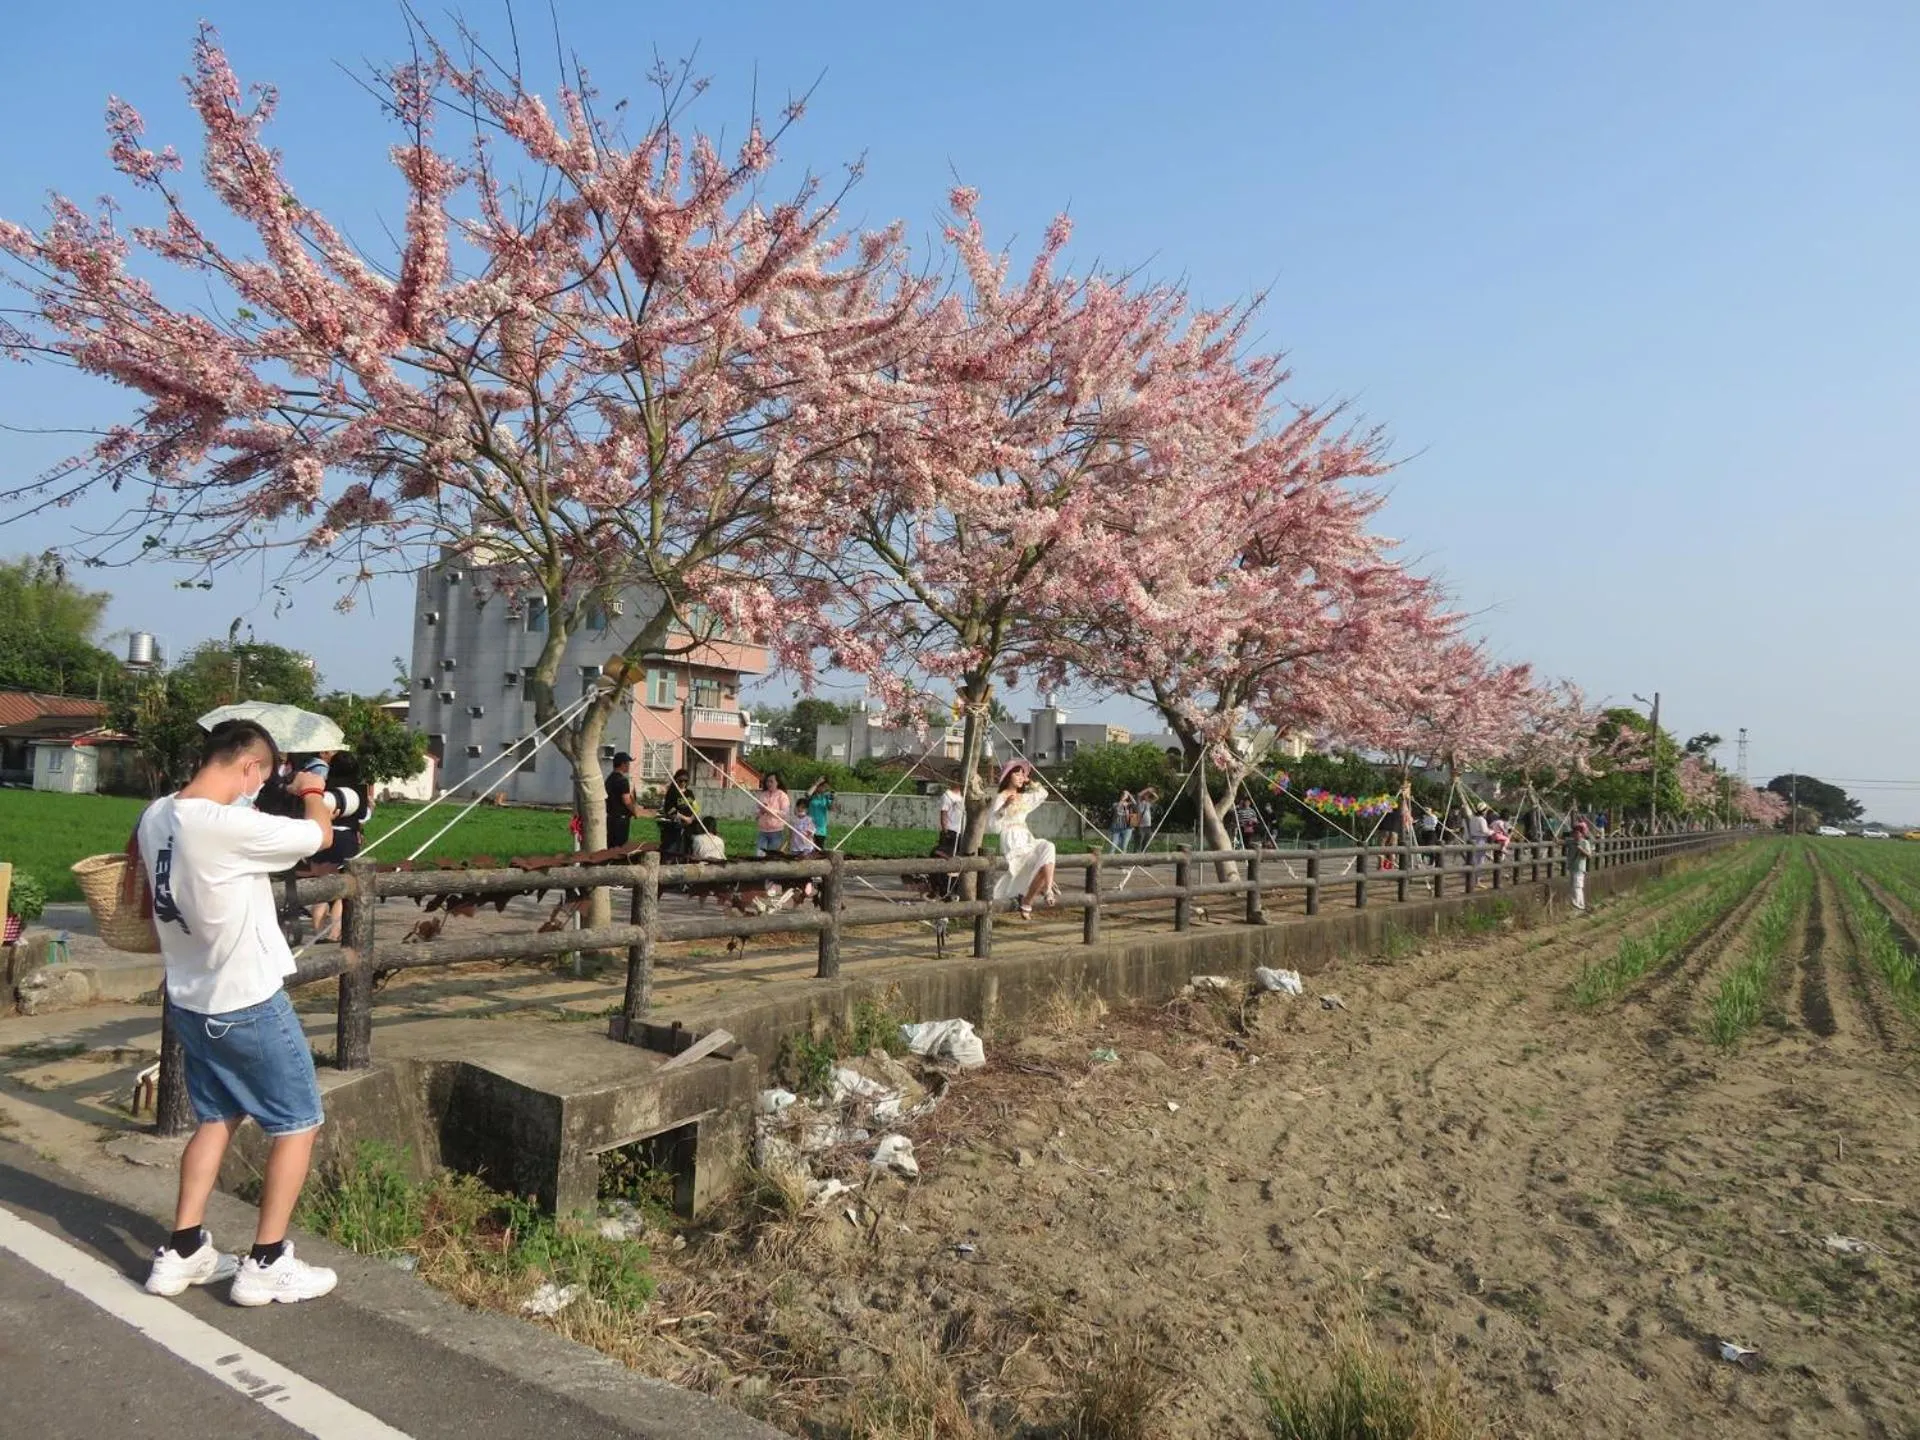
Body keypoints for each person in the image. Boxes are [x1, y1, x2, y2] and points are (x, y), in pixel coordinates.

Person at [138, 720, 339, 1306]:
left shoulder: (158, 815)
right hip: (246, 1001)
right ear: (250, 767)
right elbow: (318, 837)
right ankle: (267, 1261)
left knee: (216, 1117)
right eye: (263, 773)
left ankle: (182, 1251)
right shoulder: (228, 825)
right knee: (299, 1123)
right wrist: (311, 788)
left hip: (191, 1000)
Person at [305, 753, 370, 943]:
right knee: (341, 892)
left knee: (323, 887)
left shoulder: (323, 786)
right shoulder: (358, 790)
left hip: (323, 836)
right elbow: (364, 816)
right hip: (345, 839)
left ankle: (317, 931)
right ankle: (334, 934)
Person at [987, 760, 1058, 919]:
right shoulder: (1001, 797)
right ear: (1008, 776)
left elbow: (1043, 794)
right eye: (1017, 774)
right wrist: (1005, 806)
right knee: (1038, 864)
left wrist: (1030, 781)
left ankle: (1046, 890)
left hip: (1026, 836)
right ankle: (1029, 900)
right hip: (1011, 838)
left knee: (1048, 847)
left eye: (1022, 774)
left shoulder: (1023, 797)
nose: (1020, 777)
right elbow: (993, 826)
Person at [657, 768, 697, 862]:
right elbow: (669, 810)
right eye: (680, 780)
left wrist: (691, 818)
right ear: (676, 780)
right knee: (672, 848)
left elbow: (696, 807)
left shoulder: (689, 793)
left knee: (685, 848)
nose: (683, 783)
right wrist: (684, 818)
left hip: (688, 825)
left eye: (685, 781)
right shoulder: (672, 793)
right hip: (674, 825)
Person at [754, 772, 792, 857]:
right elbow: (756, 811)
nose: (769, 784)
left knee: (773, 856)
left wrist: (770, 810)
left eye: (771, 781)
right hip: (762, 831)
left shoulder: (782, 795)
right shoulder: (763, 795)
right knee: (759, 855)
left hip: (776, 831)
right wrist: (761, 811)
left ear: (777, 782)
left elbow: (784, 813)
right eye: (767, 781)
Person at [604, 752, 638, 848]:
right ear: (623, 764)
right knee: (620, 846)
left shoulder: (609, 779)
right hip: (621, 818)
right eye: (628, 763)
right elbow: (626, 800)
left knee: (611, 845)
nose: (629, 766)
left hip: (610, 817)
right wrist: (634, 811)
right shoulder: (623, 781)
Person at [1567, 813, 1595, 912]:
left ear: (1581, 834)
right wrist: (1556, 840)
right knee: (1574, 888)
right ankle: (1580, 906)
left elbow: (1589, 855)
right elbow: (1561, 842)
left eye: (1577, 833)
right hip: (1572, 867)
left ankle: (1579, 906)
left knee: (1577, 887)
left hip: (1579, 868)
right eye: (1574, 833)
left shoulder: (1585, 842)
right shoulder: (1571, 841)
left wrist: (1581, 849)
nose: (1575, 834)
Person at [805, 777, 835, 851]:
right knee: (808, 850)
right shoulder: (812, 796)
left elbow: (831, 808)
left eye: (826, 787)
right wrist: (817, 783)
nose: (825, 789)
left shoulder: (826, 797)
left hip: (821, 829)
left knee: (819, 851)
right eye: (823, 787)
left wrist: (833, 799)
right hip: (809, 828)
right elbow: (807, 794)